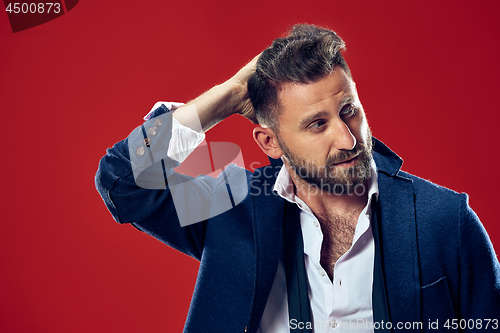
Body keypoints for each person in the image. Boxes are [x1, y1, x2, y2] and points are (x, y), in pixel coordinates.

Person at [95, 24, 500, 332]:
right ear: (269, 143)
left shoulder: (444, 221)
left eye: (349, 111)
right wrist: (229, 95)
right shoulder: (232, 206)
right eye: (316, 124)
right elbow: (124, 181)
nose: (347, 139)